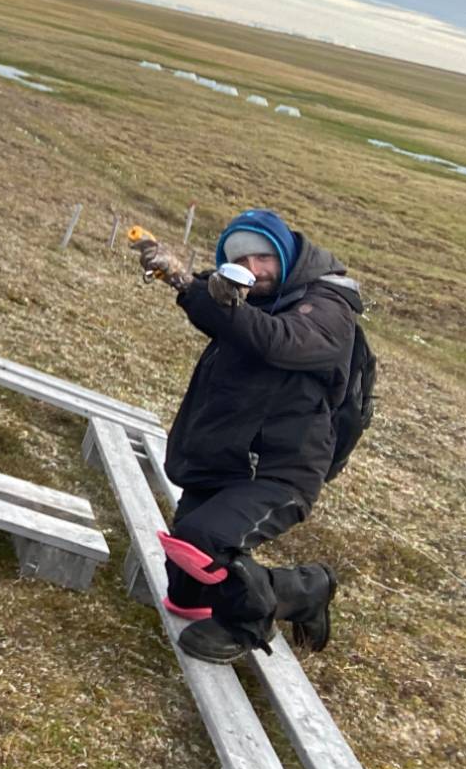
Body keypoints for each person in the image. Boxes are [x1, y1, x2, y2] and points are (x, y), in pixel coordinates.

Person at [135, 209, 356, 663]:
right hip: (225, 458)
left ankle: (260, 616)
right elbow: (226, 318)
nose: (254, 269)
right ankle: (291, 591)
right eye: (240, 260)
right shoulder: (251, 296)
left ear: (286, 255)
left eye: (264, 257)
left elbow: (278, 341)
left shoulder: (329, 308)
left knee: (200, 540)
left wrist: (222, 304)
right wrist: (183, 281)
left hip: (278, 470)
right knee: (186, 592)